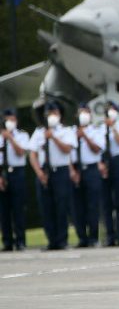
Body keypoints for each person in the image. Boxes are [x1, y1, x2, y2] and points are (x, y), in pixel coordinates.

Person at [28, 101, 76, 250]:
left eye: (54, 113)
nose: (52, 116)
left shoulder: (66, 131)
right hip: (44, 171)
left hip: (60, 171)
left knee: (61, 206)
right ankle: (51, 240)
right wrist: (39, 172)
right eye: (49, 114)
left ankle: (62, 240)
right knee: (46, 207)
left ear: (59, 115)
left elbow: (67, 149)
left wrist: (53, 137)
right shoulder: (38, 132)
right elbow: (33, 154)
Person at [70, 103, 105, 247]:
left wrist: (84, 135)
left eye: (86, 112)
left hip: (91, 169)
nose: (83, 115)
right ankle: (82, 238)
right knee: (77, 206)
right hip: (76, 170)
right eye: (81, 112)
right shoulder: (70, 131)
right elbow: (67, 153)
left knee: (92, 205)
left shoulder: (95, 130)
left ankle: (93, 237)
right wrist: (72, 170)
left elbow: (97, 149)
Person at [99, 103, 119, 246]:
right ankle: (110, 236)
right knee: (106, 203)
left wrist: (113, 126)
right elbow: (98, 147)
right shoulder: (100, 128)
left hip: (118, 161)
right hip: (105, 162)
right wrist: (101, 164)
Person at [1, 108, 31, 251]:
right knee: (4, 210)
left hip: (17, 173)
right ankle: (7, 242)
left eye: (12, 119)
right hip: (2, 174)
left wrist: (10, 138)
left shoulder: (22, 135)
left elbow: (21, 152)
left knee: (18, 209)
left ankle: (20, 241)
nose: (10, 122)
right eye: (7, 119)